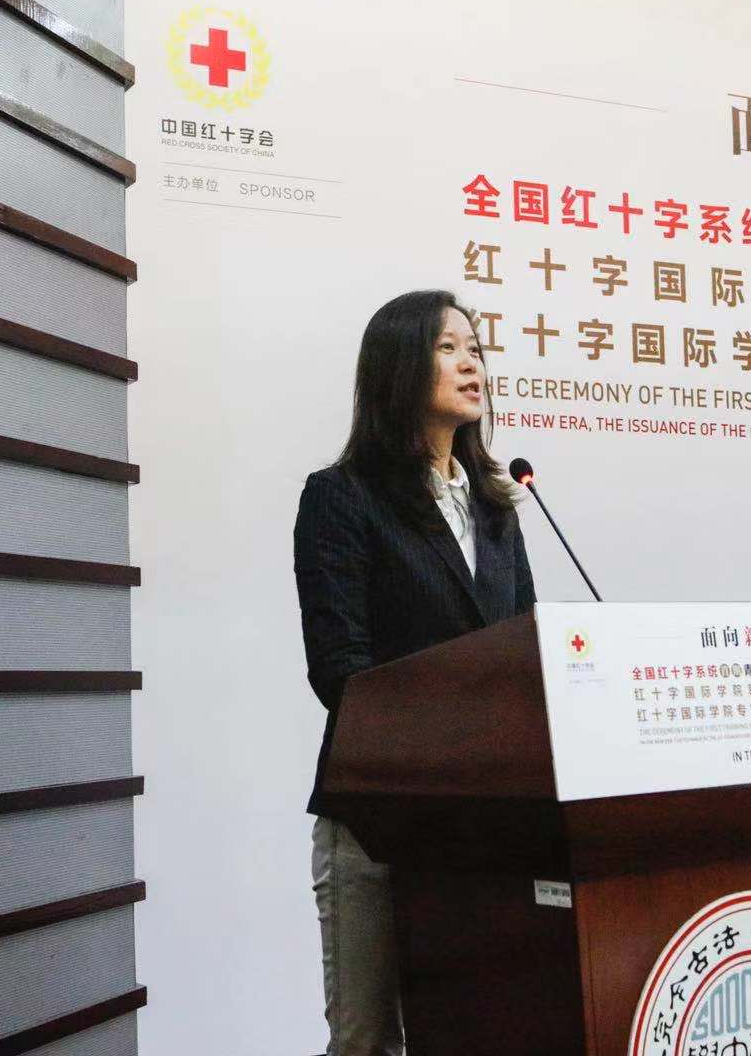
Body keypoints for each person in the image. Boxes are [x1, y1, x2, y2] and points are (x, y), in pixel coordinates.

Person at [292, 290, 536, 1056]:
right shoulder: (343, 498)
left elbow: (524, 648)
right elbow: (340, 669)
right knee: (367, 1039)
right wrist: (448, 737)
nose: (472, 365)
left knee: (472, 1028)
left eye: (476, 350)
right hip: (377, 810)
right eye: (448, 347)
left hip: (482, 816)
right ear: (398, 366)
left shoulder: (496, 506)